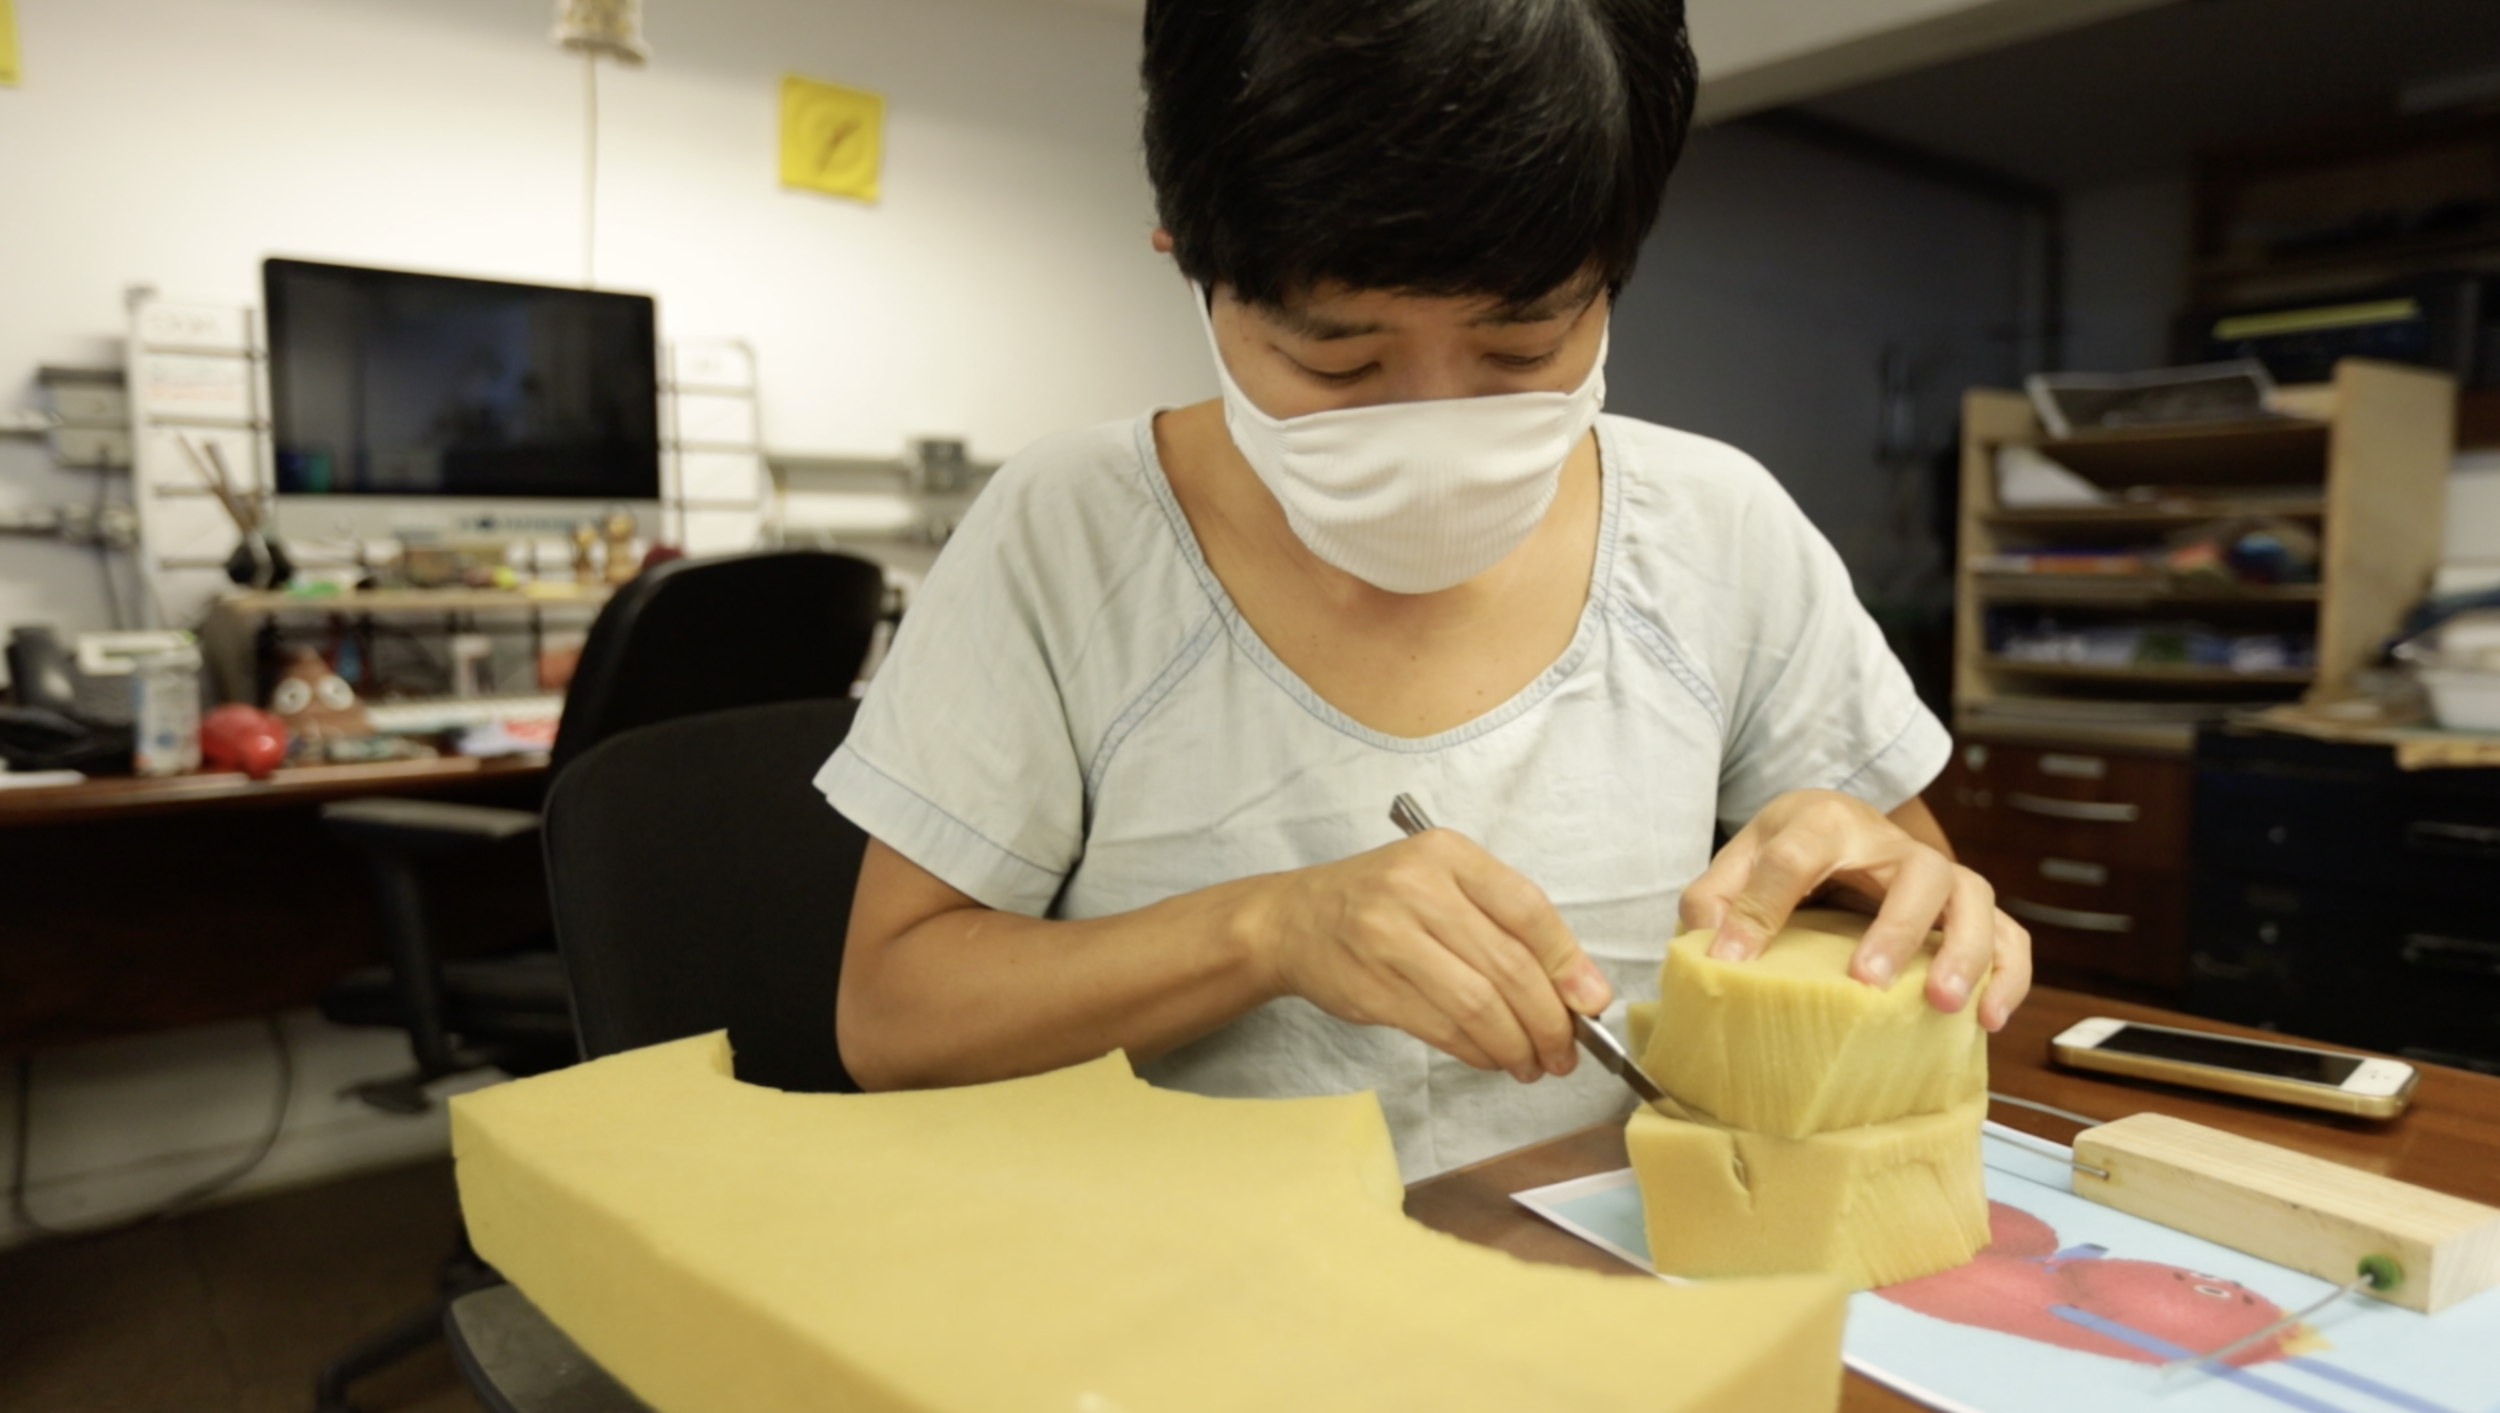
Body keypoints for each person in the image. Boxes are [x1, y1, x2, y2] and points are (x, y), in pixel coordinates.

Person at [822, 0, 2031, 1180]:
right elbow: (894, 1024)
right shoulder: (1070, 532)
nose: (1434, 427)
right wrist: (1266, 932)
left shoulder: (1716, 529)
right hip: (1191, 1309)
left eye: (1522, 351)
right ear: (1192, 265)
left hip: (1620, 1287)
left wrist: (1884, 904)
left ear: (1613, 272)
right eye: (1338, 357)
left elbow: (1904, 905)